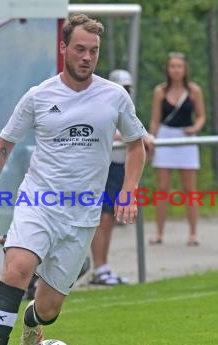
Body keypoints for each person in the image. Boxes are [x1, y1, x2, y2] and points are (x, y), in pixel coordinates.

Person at [0, 14, 147, 345]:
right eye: (80, 49)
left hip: (81, 214)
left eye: (93, 51)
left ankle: (32, 323)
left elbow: (136, 145)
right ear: (63, 48)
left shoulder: (114, 96)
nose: (86, 57)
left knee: (48, 309)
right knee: (17, 268)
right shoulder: (38, 95)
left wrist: (128, 190)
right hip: (38, 200)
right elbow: (3, 145)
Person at [89, 69, 154, 285]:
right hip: (103, 167)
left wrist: (143, 136)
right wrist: (140, 135)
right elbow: (106, 131)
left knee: (109, 220)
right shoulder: (102, 105)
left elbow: (134, 130)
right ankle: (98, 267)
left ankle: (103, 266)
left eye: (128, 89)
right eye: (122, 88)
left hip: (119, 166)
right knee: (102, 219)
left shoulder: (126, 107)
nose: (125, 92)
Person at [149, 52, 206, 246]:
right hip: (165, 135)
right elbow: (155, 119)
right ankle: (159, 232)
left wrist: (195, 128)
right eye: (172, 66)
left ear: (185, 69)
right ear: (167, 69)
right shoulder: (160, 91)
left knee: (190, 189)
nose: (176, 70)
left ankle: (193, 233)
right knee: (163, 188)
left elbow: (200, 116)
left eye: (179, 66)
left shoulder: (194, 91)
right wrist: (151, 139)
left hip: (185, 136)